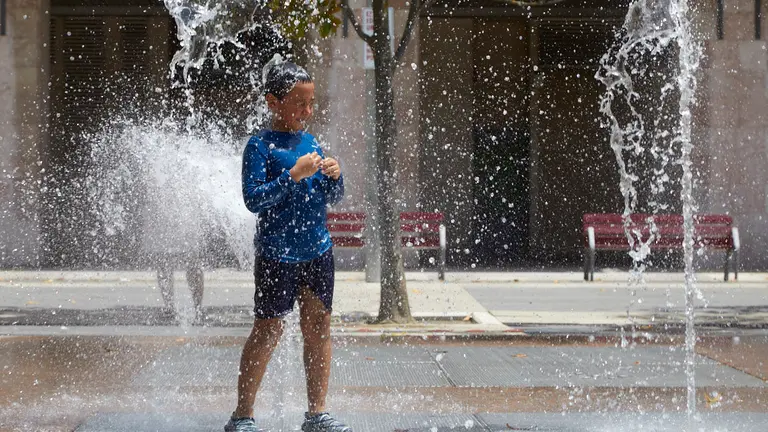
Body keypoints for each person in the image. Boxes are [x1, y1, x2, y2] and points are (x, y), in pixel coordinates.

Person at [225, 57, 350, 432]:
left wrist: (335, 176)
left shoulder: (311, 141)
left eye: (311, 104)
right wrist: (292, 176)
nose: (307, 111)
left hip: (317, 250)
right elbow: (253, 200)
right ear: (273, 102)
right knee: (268, 329)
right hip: (276, 254)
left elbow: (332, 197)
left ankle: (317, 414)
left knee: (319, 327)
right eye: (299, 103)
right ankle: (242, 416)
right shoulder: (260, 146)